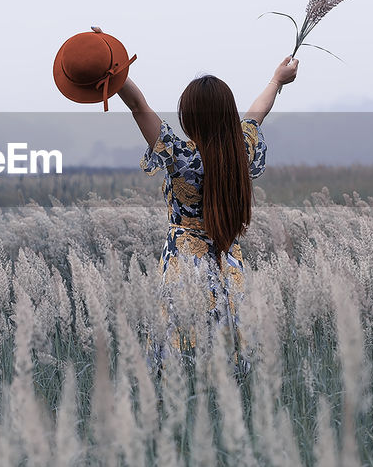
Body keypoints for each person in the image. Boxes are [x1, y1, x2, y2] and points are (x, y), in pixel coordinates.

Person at [116, 55, 299, 373]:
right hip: (229, 263)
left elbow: (136, 105)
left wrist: (113, 70)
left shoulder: (181, 156)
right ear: (228, 114)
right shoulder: (240, 150)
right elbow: (258, 112)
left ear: (190, 116)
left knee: (182, 358)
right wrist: (277, 80)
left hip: (185, 265)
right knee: (230, 348)